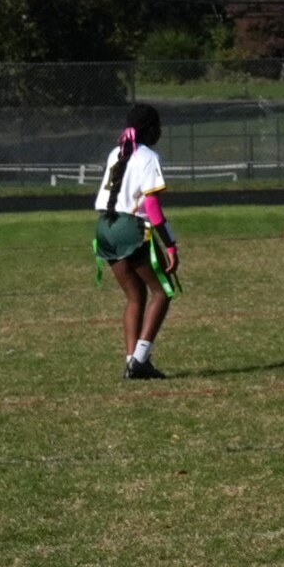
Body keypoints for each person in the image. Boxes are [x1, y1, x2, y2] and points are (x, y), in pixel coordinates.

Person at [91, 102, 179, 379]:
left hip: (105, 225)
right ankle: (140, 359)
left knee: (135, 295)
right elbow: (152, 206)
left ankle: (132, 360)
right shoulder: (148, 156)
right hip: (130, 226)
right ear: (151, 129)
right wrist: (171, 244)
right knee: (163, 292)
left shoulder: (115, 152)